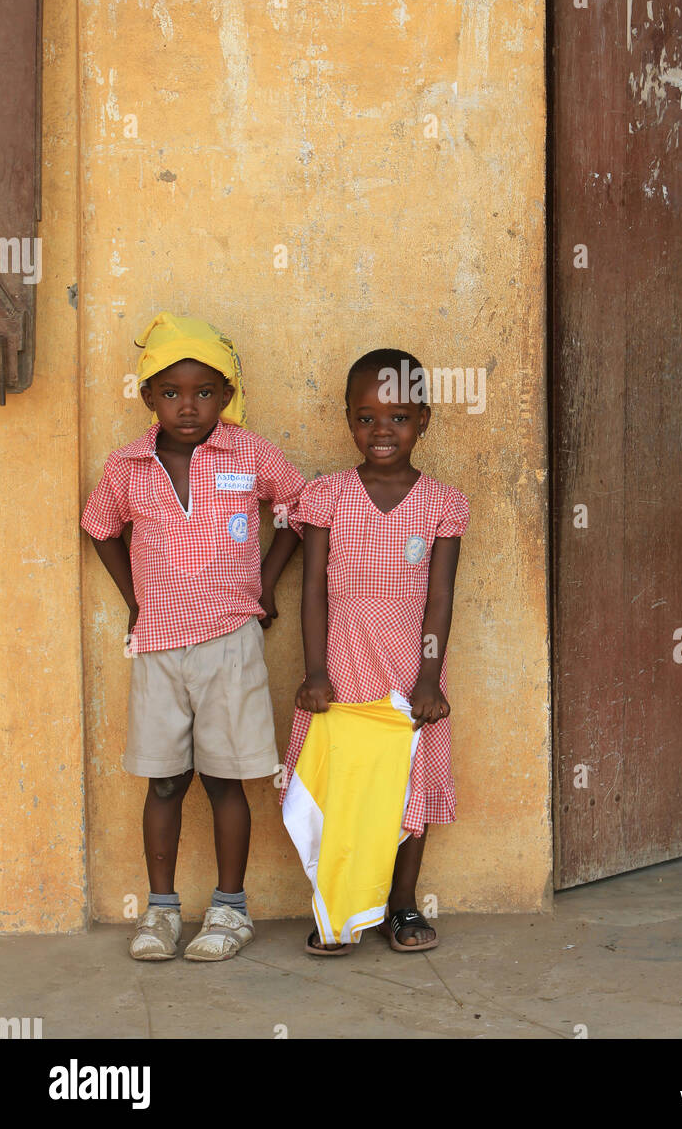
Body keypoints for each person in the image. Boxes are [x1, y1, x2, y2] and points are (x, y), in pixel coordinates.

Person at [81, 312, 305, 962]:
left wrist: (264, 587)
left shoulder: (250, 453)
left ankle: (230, 911)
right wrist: (136, 601)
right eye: (171, 392)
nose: (187, 407)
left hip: (232, 641)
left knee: (225, 780)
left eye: (204, 392)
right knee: (164, 781)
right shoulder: (127, 467)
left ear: (226, 397)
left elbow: (295, 509)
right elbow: (100, 529)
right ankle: (161, 911)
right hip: (158, 646)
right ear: (148, 397)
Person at [279, 348, 469, 954]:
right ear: (348, 420)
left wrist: (430, 679)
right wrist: (314, 672)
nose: (381, 431)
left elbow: (439, 598)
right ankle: (337, 905)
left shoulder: (443, 502)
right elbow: (311, 591)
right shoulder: (326, 495)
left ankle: (402, 906)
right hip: (341, 672)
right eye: (366, 418)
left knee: (408, 789)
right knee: (343, 790)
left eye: (399, 418)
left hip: (410, 677)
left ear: (425, 421)